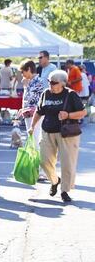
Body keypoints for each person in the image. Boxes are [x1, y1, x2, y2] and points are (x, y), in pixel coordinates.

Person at [29, 70, 86, 203]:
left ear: (62, 83)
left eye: (53, 83)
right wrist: (32, 126)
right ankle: (55, 180)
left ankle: (64, 191)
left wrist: (68, 115)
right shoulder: (46, 93)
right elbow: (39, 111)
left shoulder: (71, 95)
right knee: (44, 161)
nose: (50, 85)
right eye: (49, 82)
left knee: (67, 163)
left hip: (66, 133)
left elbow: (83, 112)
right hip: (47, 131)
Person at [18, 60, 46, 142]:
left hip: (35, 115)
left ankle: (38, 155)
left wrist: (26, 86)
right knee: (32, 139)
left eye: (23, 72)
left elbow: (31, 98)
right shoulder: (31, 81)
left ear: (29, 69)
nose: (22, 74)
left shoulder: (38, 81)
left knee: (35, 139)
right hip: (29, 114)